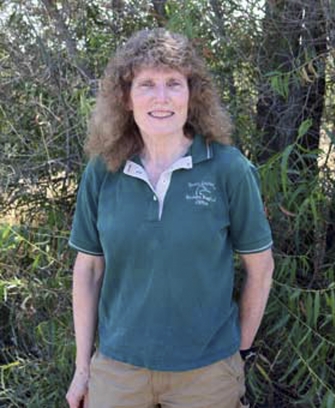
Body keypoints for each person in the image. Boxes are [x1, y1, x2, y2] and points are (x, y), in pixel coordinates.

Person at [65, 28, 274, 408]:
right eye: (146, 84)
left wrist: (238, 354)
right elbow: (88, 271)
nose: (161, 98)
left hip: (207, 375)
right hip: (118, 371)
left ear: (191, 94)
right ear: (126, 98)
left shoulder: (229, 169)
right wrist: (83, 369)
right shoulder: (103, 171)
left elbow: (260, 268)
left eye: (173, 83)